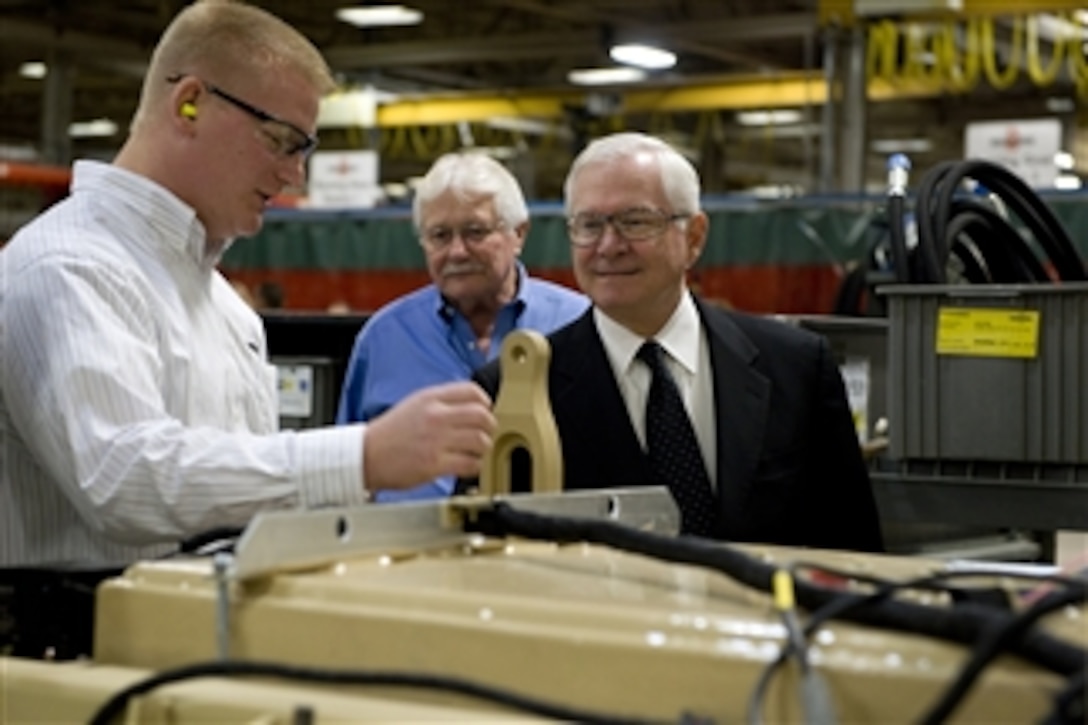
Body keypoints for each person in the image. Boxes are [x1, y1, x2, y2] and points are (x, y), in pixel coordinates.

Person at [0, 0, 496, 569]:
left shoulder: (225, 310)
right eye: (282, 140)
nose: (294, 175)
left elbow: (241, 507)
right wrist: (362, 456)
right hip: (70, 648)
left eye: (305, 150)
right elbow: (123, 478)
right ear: (189, 103)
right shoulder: (70, 266)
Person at [470, 132, 883, 552]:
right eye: (589, 225)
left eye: (635, 222)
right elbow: (485, 565)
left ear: (694, 236)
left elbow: (855, 549)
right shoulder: (513, 389)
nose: (609, 247)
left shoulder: (795, 368)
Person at [336, 151, 588, 502]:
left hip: (546, 548)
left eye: (475, 231)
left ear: (519, 234)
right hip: (407, 551)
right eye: (439, 235)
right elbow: (345, 474)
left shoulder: (579, 325)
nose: (456, 252)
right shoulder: (383, 339)